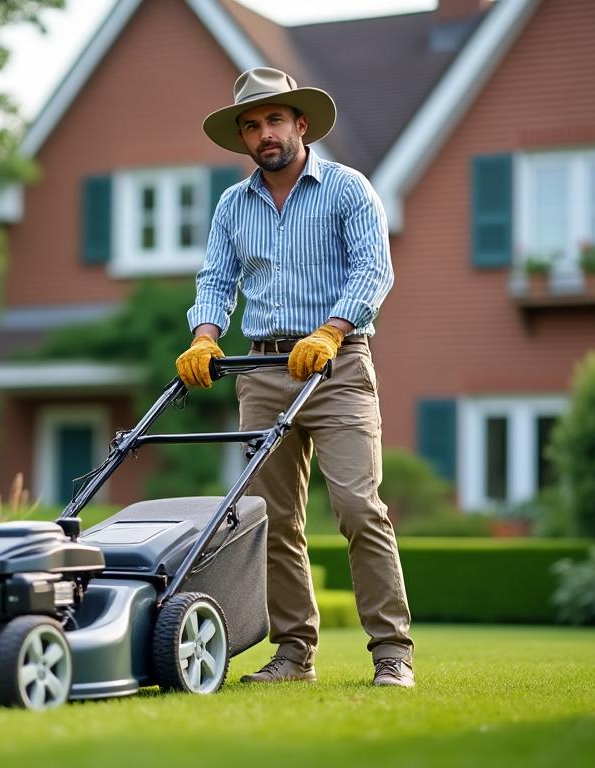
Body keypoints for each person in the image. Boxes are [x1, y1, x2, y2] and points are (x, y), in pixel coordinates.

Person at [175, 67, 414, 687]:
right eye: (251, 126)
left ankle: (392, 653)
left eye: (274, 120)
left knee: (360, 508)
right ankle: (293, 656)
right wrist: (204, 337)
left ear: (300, 124)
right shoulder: (233, 204)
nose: (264, 134)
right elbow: (216, 280)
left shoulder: (347, 189)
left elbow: (374, 270)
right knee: (273, 517)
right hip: (261, 369)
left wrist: (331, 329)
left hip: (337, 365)